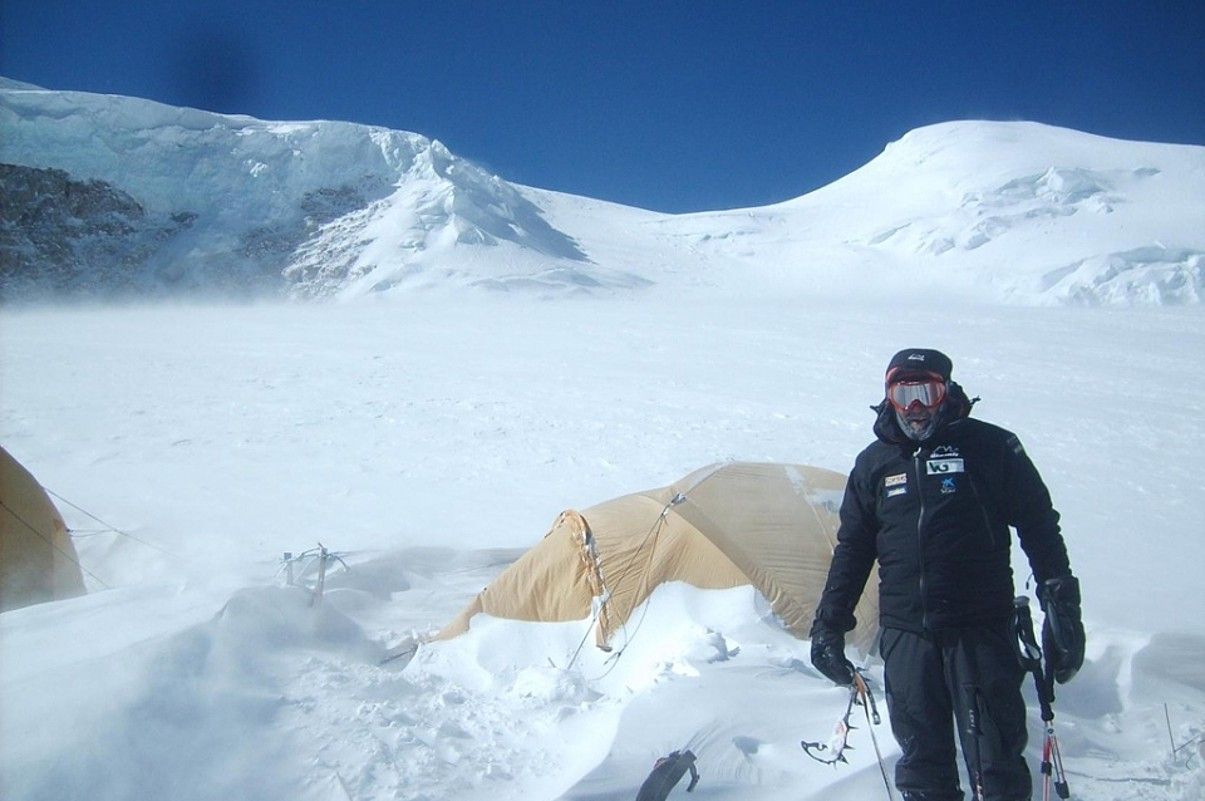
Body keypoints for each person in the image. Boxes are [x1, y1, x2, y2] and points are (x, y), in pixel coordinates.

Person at [809, 348, 1085, 801]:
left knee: (995, 763)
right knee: (921, 769)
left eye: (926, 392)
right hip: (906, 637)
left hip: (979, 632)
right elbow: (853, 550)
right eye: (905, 394)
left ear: (946, 392)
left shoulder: (992, 448)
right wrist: (828, 625)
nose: (915, 407)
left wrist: (1062, 605)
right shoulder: (875, 464)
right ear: (889, 397)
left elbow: (1039, 524)